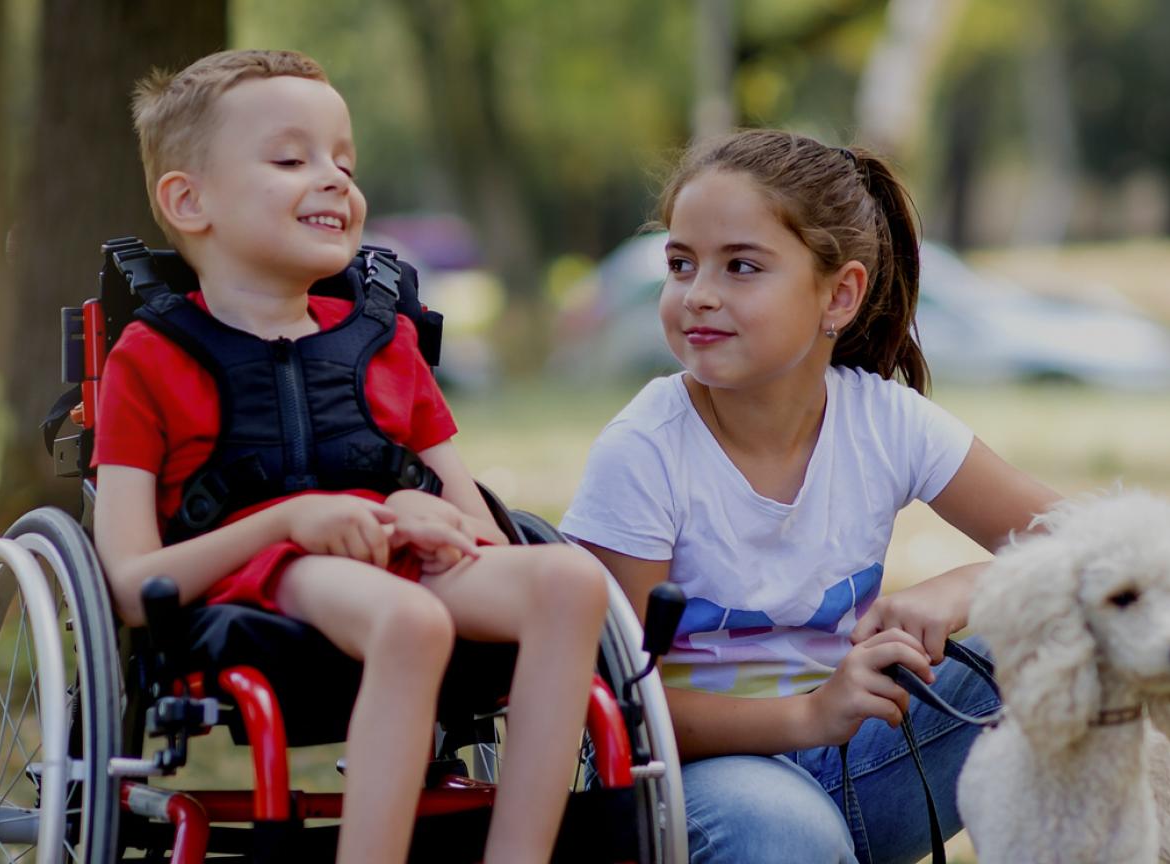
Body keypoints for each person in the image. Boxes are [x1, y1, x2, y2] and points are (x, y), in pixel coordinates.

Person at [91, 49, 607, 864]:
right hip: (259, 585)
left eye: (345, 161)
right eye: (293, 159)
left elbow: (488, 535)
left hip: (401, 562)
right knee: (407, 619)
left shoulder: (385, 342)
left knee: (571, 579)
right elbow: (127, 585)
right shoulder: (149, 359)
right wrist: (291, 521)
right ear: (189, 201)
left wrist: (424, 513)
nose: (335, 178)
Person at [559, 129, 1064, 864]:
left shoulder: (884, 421)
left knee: (1057, 627)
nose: (698, 295)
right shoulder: (643, 451)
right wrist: (807, 715)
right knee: (789, 831)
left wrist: (961, 591)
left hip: (857, 764)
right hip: (697, 784)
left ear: (840, 293)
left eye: (740, 266)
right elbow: (608, 704)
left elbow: (1092, 546)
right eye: (680, 264)